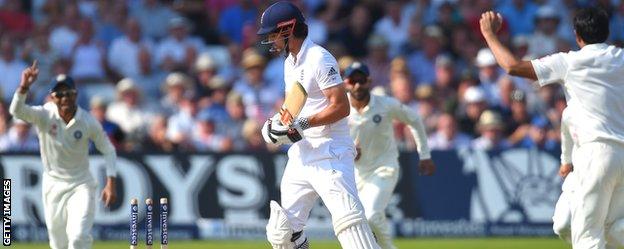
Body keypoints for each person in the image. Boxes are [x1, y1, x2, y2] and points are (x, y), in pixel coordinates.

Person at [480, 8, 624, 248]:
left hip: (596, 153)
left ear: (577, 35)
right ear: (607, 32)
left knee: (587, 236)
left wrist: (489, 34)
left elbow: (513, 66)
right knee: (609, 228)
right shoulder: (620, 58)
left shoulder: (569, 61)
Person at [257, 2, 380, 249]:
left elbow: (341, 107)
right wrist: (275, 125)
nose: (270, 39)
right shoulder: (290, 63)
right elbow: (295, 105)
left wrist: (303, 123)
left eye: (273, 33)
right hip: (302, 153)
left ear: (288, 29)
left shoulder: (319, 58)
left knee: (350, 226)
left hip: (330, 151)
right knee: (283, 233)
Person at [9, 61, 117, 249]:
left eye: (68, 93)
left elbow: (108, 149)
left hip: (81, 184)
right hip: (53, 186)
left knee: (77, 237)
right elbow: (16, 111)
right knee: (58, 244)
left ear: (75, 94)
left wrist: (111, 181)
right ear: (52, 97)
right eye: (59, 94)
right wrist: (24, 87)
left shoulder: (88, 121)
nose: (64, 97)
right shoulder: (44, 115)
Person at [344, 61, 435, 249]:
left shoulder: (385, 104)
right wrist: (346, 149)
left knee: (371, 215)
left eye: (362, 80)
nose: (358, 85)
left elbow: (415, 120)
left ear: (369, 81)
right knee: (356, 223)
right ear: (346, 83)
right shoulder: (341, 108)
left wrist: (424, 155)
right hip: (354, 174)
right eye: (353, 81)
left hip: (383, 168)